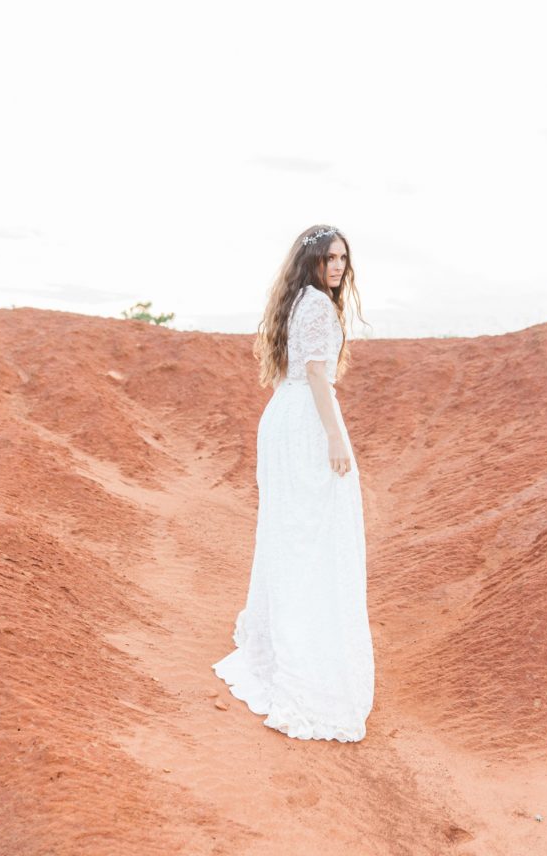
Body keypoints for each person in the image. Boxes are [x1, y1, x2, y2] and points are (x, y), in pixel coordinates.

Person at [211, 224, 375, 742]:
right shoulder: (319, 307)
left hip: (284, 417)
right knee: (315, 534)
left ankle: (288, 634)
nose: (337, 267)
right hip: (306, 423)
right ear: (310, 261)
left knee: (293, 531)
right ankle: (308, 652)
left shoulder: (298, 300)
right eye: (328, 258)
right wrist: (334, 437)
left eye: (342, 259)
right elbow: (318, 376)